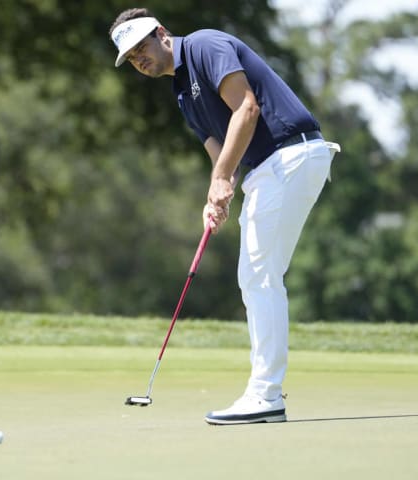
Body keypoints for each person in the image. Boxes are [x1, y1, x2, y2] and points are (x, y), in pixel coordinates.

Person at [109, 8, 339, 425]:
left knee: (258, 275)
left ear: (161, 33)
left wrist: (221, 178)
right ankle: (265, 392)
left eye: (142, 46)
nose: (139, 59)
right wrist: (218, 192)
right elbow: (219, 146)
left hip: (289, 154)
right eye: (131, 57)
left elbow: (246, 109)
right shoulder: (181, 92)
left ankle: (266, 395)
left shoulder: (205, 45)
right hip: (272, 168)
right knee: (259, 275)